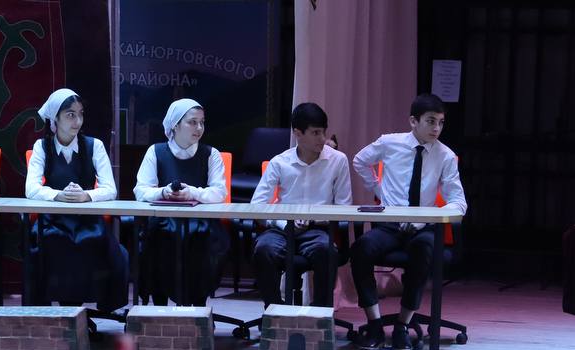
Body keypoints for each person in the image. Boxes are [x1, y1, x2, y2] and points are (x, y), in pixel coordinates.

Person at [350, 93, 467, 350]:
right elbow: (360, 161)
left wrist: (427, 218)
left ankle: (402, 326)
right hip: (391, 223)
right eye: (431, 121)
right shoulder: (389, 143)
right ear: (413, 121)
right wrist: (379, 190)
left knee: (423, 249)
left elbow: (459, 201)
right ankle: (375, 324)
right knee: (361, 248)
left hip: (422, 226)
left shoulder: (445, 156)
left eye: (441, 122)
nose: (436, 128)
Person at [25, 88, 128, 318]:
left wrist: (86, 196)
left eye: (80, 114)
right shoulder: (42, 147)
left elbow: (110, 189)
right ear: (55, 118)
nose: (77, 121)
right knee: (50, 243)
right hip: (53, 221)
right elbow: (31, 188)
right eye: (70, 115)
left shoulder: (94, 146)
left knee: (94, 244)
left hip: (87, 221)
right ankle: (59, 314)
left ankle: (77, 314)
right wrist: (58, 195)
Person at [250, 102, 352, 309]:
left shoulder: (338, 161)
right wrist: (284, 223)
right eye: (315, 133)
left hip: (318, 229)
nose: (322, 139)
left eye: (323, 132)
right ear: (298, 133)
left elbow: (344, 207)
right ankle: (275, 310)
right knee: (263, 250)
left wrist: (314, 219)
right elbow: (257, 205)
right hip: (281, 229)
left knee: (326, 252)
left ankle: (319, 313)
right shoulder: (280, 162)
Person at [134, 98, 230, 306]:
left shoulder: (211, 154)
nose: (199, 128)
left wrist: (192, 193)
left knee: (206, 243)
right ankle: (159, 306)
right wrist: (163, 192)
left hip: (200, 222)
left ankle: (198, 307)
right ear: (175, 125)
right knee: (157, 242)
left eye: (202, 122)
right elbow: (140, 190)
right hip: (164, 222)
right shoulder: (156, 151)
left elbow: (219, 192)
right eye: (192, 122)